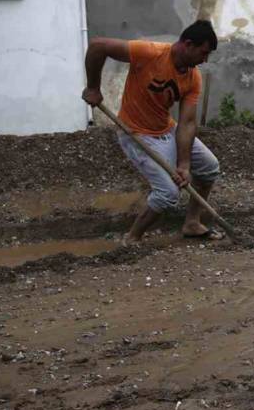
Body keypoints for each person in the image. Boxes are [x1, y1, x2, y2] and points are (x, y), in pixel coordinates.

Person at [81, 20, 222, 243]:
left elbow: (186, 123)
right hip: (136, 133)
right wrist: (93, 87)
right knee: (168, 194)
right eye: (203, 53)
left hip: (166, 129)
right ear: (187, 44)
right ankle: (133, 237)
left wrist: (184, 165)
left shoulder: (193, 77)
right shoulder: (149, 53)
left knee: (209, 167)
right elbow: (98, 45)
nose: (204, 60)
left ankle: (192, 223)